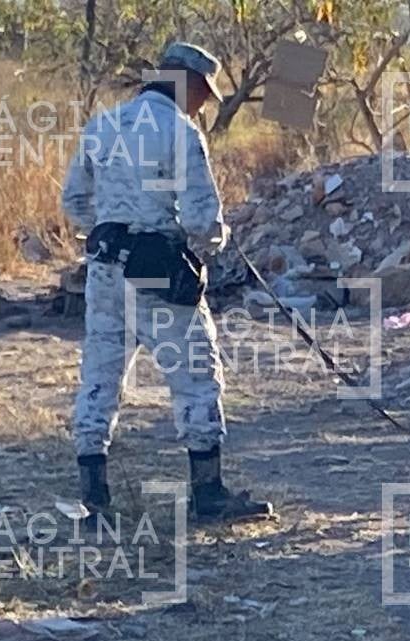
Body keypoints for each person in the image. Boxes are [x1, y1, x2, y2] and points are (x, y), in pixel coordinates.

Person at [61, 42, 270, 520]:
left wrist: (113, 227)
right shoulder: (180, 132)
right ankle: (208, 493)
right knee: (197, 374)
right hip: (157, 267)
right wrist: (210, 245)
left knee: (100, 375)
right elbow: (202, 219)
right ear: (190, 84)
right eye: (204, 93)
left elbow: (75, 203)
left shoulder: (103, 124)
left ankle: (94, 497)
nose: (203, 104)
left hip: (105, 267)